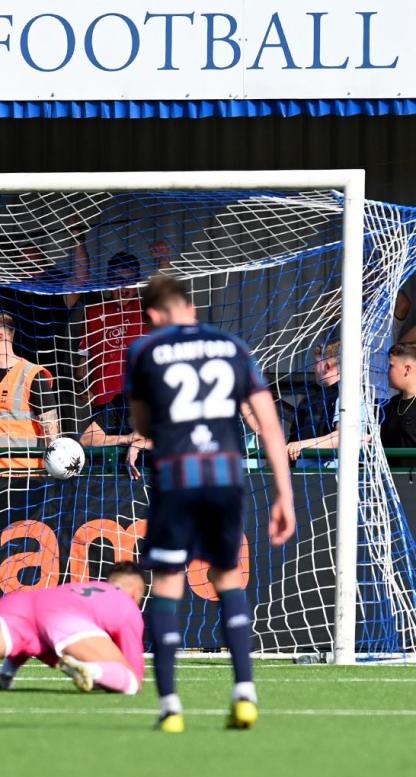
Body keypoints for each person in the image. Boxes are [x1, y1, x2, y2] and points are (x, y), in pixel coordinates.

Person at [127, 274, 294, 733]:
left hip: (176, 477)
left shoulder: (144, 351)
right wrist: (285, 494)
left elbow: (145, 425)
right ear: (190, 306)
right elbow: (270, 427)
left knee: (167, 583)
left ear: (154, 315)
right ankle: (244, 694)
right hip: (225, 476)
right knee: (225, 576)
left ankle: (171, 708)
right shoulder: (232, 346)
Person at [0, 562, 146, 696]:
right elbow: (135, 677)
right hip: (64, 620)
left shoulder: (78, 588)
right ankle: (90, 669)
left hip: (19, 604)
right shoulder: (127, 605)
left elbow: (36, 630)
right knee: (129, 682)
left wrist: (8, 671)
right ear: (136, 593)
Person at [0, 312, 58, 470]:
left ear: (1, 336)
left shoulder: (32, 375)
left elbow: (51, 432)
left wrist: (52, 470)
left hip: (23, 474)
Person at [78, 250, 154, 413]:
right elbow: (83, 363)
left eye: (129, 281)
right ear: (108, 282)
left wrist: (163, 259)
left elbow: (166, 291)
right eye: (117, 280)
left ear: (138, 283)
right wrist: (83, 388)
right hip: (104, 401)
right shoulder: (93, 312)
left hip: (141, 401)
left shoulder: (146, 310)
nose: (123, 287)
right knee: (92, 439)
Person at [287, 341, 341, 468]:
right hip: (302, 476)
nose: (313, 369)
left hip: (331, 476)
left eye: (316, 363)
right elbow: (293, 440)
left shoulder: (348, 397)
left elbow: (344, 437)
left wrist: (303, 445)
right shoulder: (308, 401)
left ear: (328, 366)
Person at [381, 343, 416, 466]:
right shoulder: (391, 405)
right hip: (390, 481)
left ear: (407, 369)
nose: (387, 371)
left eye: (391, 366)